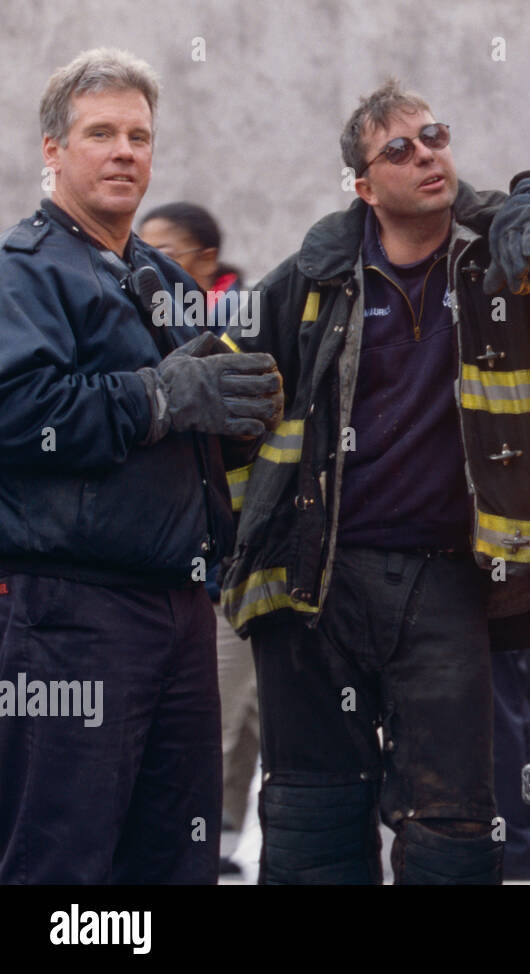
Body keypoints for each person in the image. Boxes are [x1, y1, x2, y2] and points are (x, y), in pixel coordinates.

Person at [220, 79, 530, 884]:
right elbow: (218, 394)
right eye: (399, 149)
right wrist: (238, 545)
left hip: (446, 581)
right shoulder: (309, 280)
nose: (427, 155)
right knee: (314, 812)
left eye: (435, 136)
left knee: (452, 821)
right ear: (363, 186)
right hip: (318, 583)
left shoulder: (504, 247)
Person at [0, 49, 283, 883]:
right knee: (63, 854)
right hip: (70, 616)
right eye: (100, 134)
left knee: (170, 856)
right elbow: (18, 412)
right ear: (53, 150)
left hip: (177, 610)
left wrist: (230, 427)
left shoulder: (159, 278)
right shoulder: (24, 273)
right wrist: (161, 398)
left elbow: (185, 414)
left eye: (139, 136)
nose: (125, 152)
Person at [139, 202, 259, 877]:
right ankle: (216, 837)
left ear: (206, 259)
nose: (150, 261)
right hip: (211, 565)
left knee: (225, 715)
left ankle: (211, 840)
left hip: (231, 564)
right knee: (232, 716)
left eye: (166, 251)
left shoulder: (233, 325)